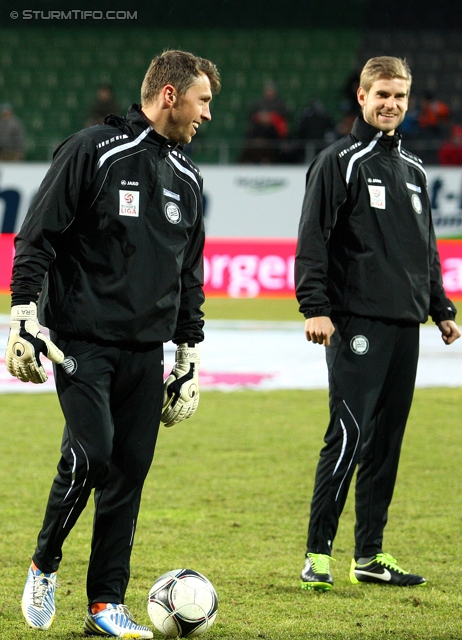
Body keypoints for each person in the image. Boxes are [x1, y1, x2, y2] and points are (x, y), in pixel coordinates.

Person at [5, 49, 220, 637]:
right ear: (170, 95)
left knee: (130, 470)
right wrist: (24, 315)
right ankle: (45, 563)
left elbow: (189, 275)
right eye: (203, 101)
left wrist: (188, 355)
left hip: (145, 353)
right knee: (93, 452)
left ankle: (105, 604)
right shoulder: (94, 150)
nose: (208, 115)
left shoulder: (189, 176)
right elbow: (37, 235)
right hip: (81, 341)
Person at [295, 56, 460, 592]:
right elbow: (313, 238)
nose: (391, 104)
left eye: (401, 96)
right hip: (354, 322)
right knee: (347, 435)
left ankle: (370, 554)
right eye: (382, 94)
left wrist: (442, 308)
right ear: (362, 96)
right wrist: (314, 306)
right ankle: (317, 555)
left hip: (405, 325)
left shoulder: (413, 171)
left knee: (386, 442)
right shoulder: (339, 162)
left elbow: (425, 251)